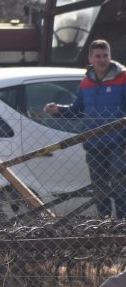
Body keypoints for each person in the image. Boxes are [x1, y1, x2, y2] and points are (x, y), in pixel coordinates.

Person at [44, 39, 126, 218]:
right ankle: (104, 226)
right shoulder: (85, 82)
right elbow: (77, 110)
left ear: (110, 57)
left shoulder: (123, 78)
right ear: (90, 58)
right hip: (93, 144)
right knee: (99, 189)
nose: (102, 60)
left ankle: (122, 228)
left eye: (105, 56)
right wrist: (58, 110)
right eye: (98, 56)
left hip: (118, 144)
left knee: (120, 187)